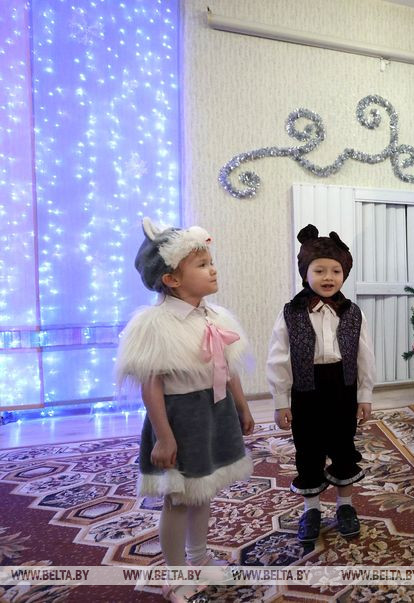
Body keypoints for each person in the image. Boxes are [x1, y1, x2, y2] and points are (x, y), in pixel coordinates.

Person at [115, 218, 254, 602]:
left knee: (203, 491)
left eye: (211, 262)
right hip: (181, 419)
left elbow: (228, 367)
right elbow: (151, 385)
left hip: (215, 412)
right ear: (172, 279)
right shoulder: (155, 325)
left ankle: (199, 556)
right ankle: (175, 574)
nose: (213, 269)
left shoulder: (217, 317)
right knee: (178, 499)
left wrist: (242, 407)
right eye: (202, 264)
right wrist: (164, 436)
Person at [267, 225, 375, 543]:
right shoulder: (291, 313)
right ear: (305, 273)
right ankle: (311, 509)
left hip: (343, 388)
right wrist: (281, 401)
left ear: (344, 274)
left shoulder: (353, 313)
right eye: (319, 270)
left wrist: (365, 395)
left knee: (343, 447)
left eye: (336, 271)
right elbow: (278, 358)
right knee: (308, 450)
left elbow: (365, 356)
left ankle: (345, 506)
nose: (328, 277)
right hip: (306, 391)